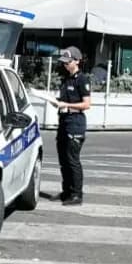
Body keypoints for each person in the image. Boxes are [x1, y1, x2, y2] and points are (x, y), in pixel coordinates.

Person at [53, 45, 92, 205]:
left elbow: (86, 104)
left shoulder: (82, 80)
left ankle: (77, 195)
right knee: (63, 160)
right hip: (64, 122)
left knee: (72, 160)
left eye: (68, 62)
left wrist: (67, 105)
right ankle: (66, 191)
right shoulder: (66, 79)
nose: (65, 65)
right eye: (64, 62)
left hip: (75, 124)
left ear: (77, 61)